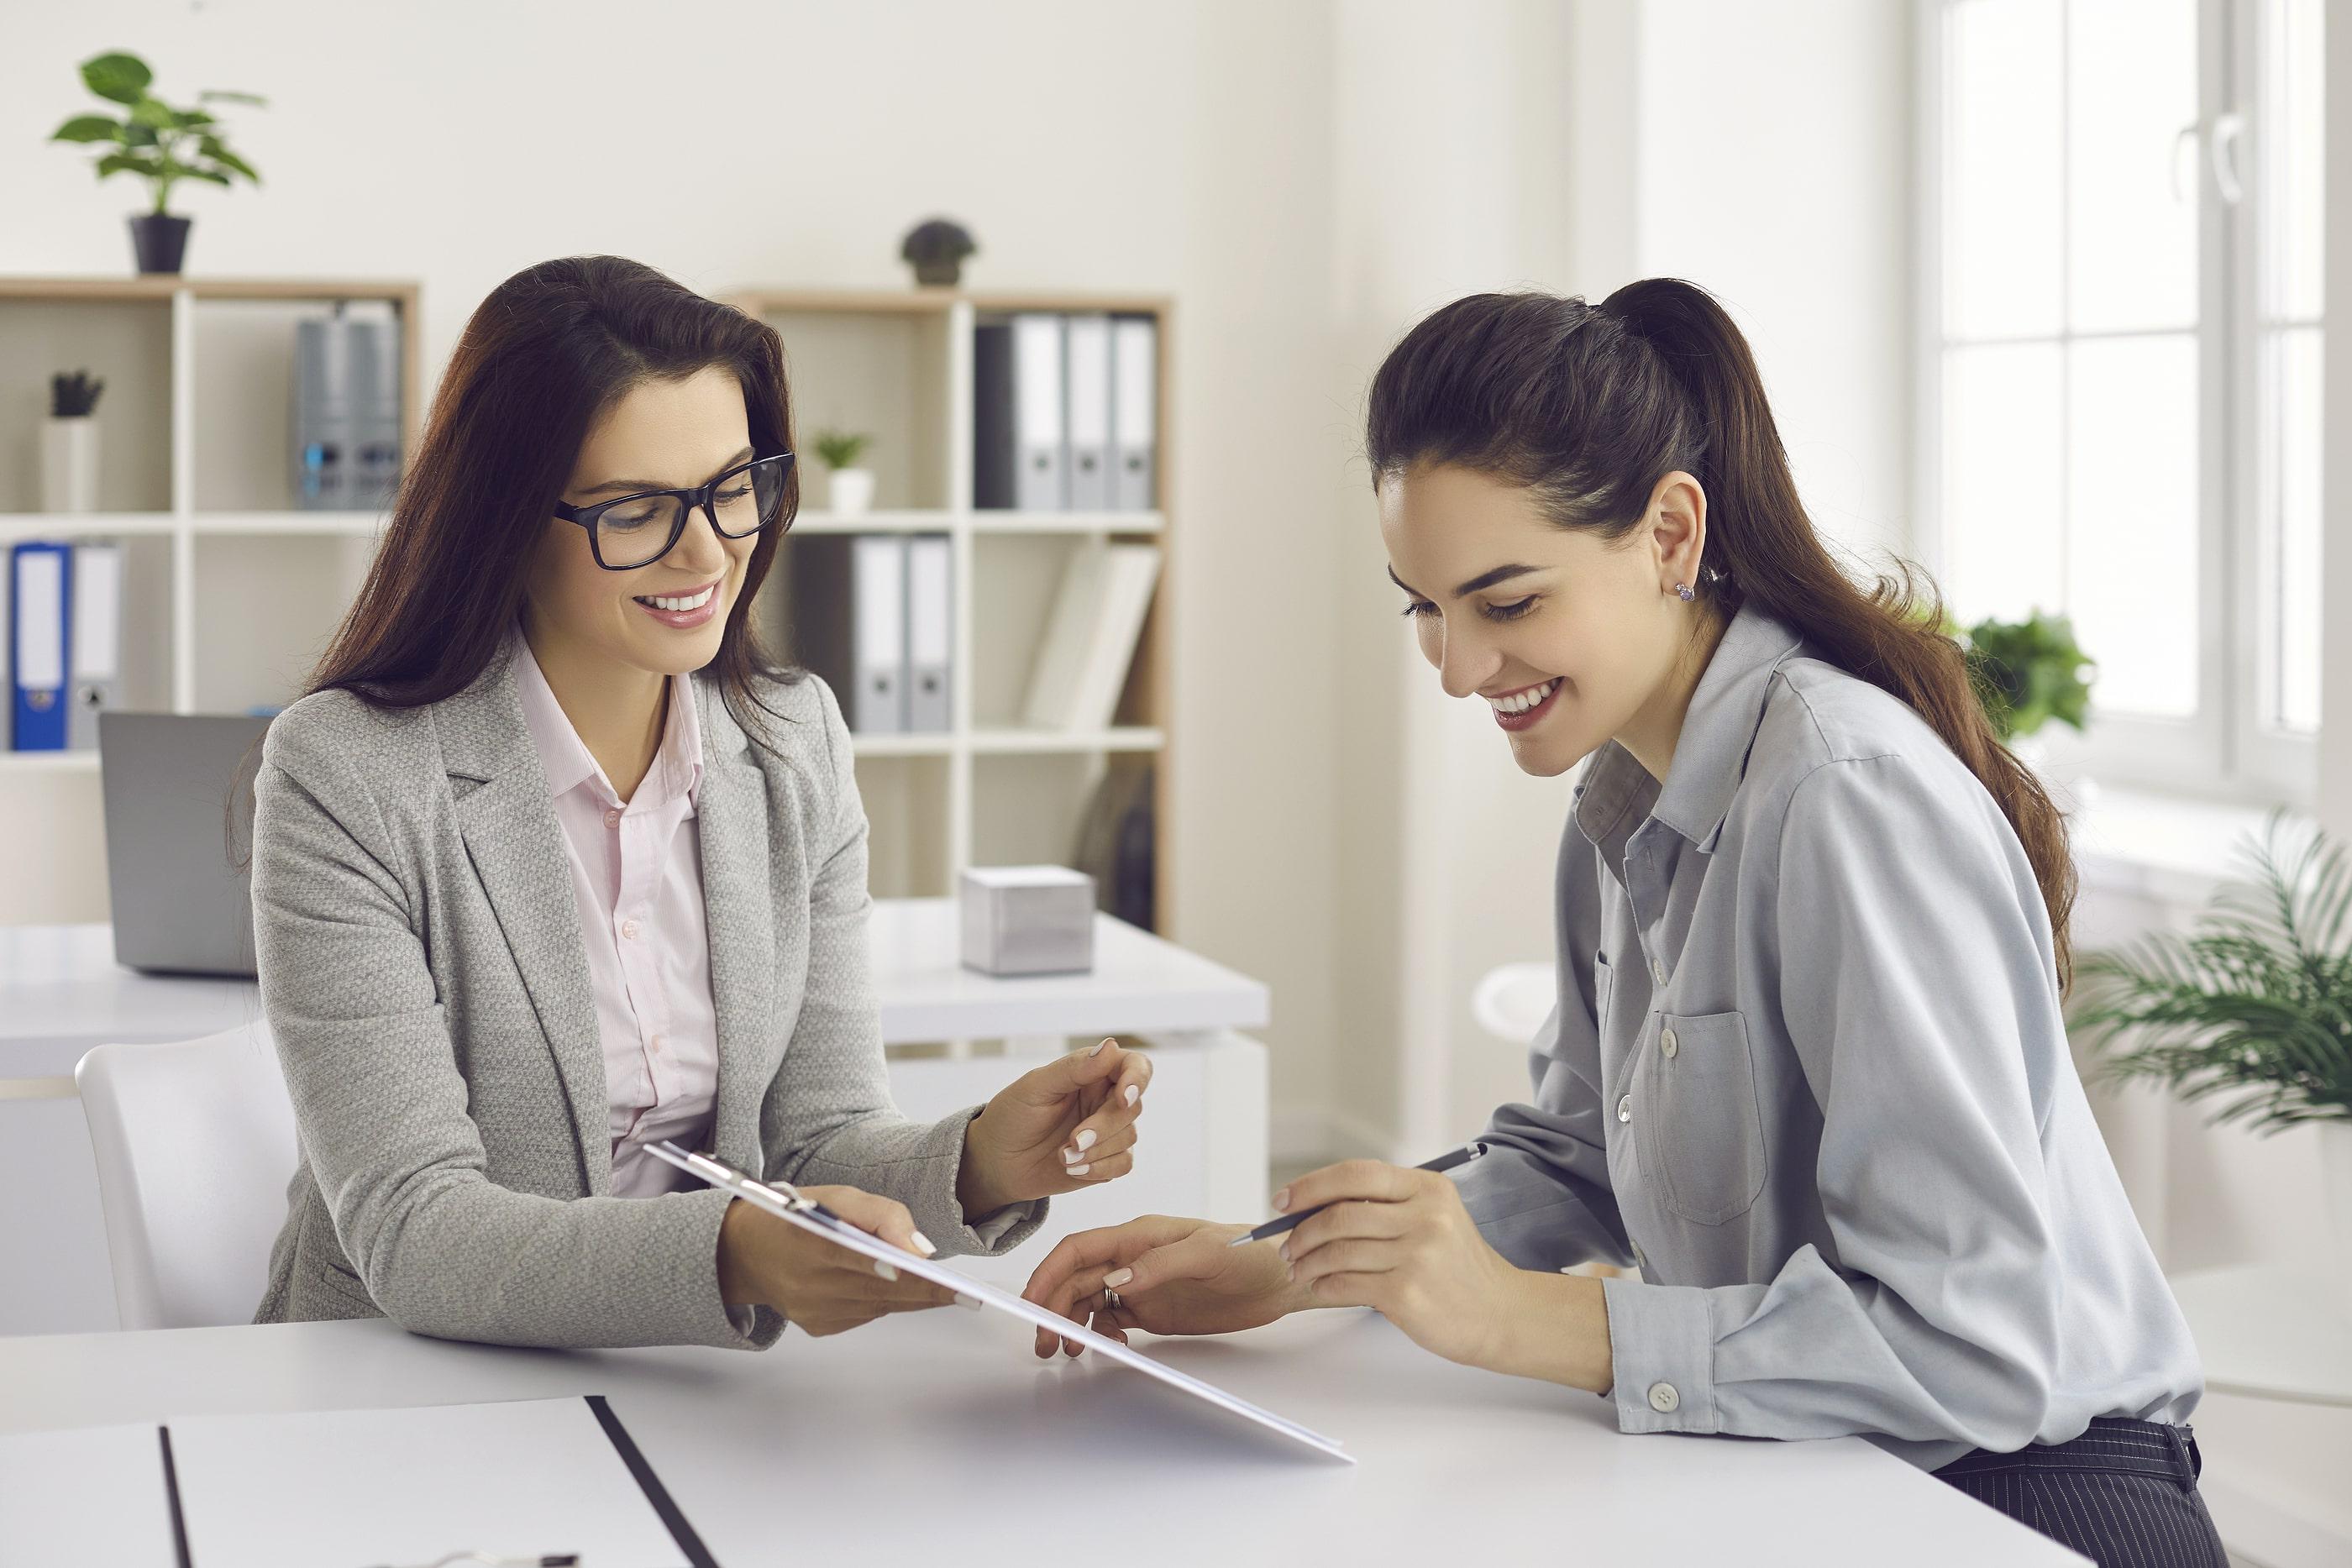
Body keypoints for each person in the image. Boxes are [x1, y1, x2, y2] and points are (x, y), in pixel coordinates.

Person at [1021, 280, 2223, 1567]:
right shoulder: (1618, 801)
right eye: (1423, 605)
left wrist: (1523, 1322)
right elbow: (1578, 1157)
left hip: (2030, 1494)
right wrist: (1288, 1265)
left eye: (1507, 602)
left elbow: (1976, 1338)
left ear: (1668, 531)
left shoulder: (1840, 797)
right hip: (1817, 1470)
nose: (1456, 668)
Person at [250, 255, 1148, 1350]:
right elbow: (414, 1225)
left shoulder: (792, 742)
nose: (709, 548)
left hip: (696, 1388)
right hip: (403, 1383)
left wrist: (972, 1162)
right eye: (637, 508)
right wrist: (726, 1252)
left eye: (733, 488)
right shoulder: (347, 772)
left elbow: (818, 1138)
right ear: (508, 517)